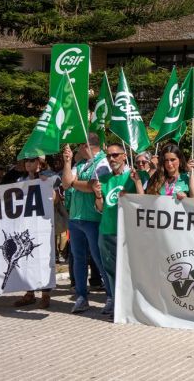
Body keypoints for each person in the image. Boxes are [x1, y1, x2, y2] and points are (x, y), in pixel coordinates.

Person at [90, 143, 145, 316]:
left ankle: (134, 306)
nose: (112, 159)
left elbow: (143, 201)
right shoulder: (104, 179)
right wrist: (98, 195)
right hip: (106, 231)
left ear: (124, 156)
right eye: (109, 156)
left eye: (115, 155)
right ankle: (118, 306)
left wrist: (136, 183)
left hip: (128, 233)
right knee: (111, 271)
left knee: (132, 270)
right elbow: (100, 207)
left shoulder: (134, 176)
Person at [60, 133, 112, 314]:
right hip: (76, 218)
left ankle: (111, 296)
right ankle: (82, 297)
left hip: (93, 219)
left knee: (99, 259)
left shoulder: (104, 162)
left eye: (80, 146)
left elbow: (94, 185)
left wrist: (75, 183)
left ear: (86, 146)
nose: (77, 150)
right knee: (79, 259)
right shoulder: (80, 164)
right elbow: (66, 183)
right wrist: (67, 162)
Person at [10, 156, 55, 310]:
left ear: (40, 163)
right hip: (25, 225)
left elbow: (55, 199)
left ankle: (45, 295)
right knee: (26, 258)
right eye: (26, 161)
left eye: (32, 160)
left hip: (43, 225)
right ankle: (29, 293)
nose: (28, 163)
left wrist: (47, 183)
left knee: (44, 258)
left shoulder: (49, 176)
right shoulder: (20, 181)